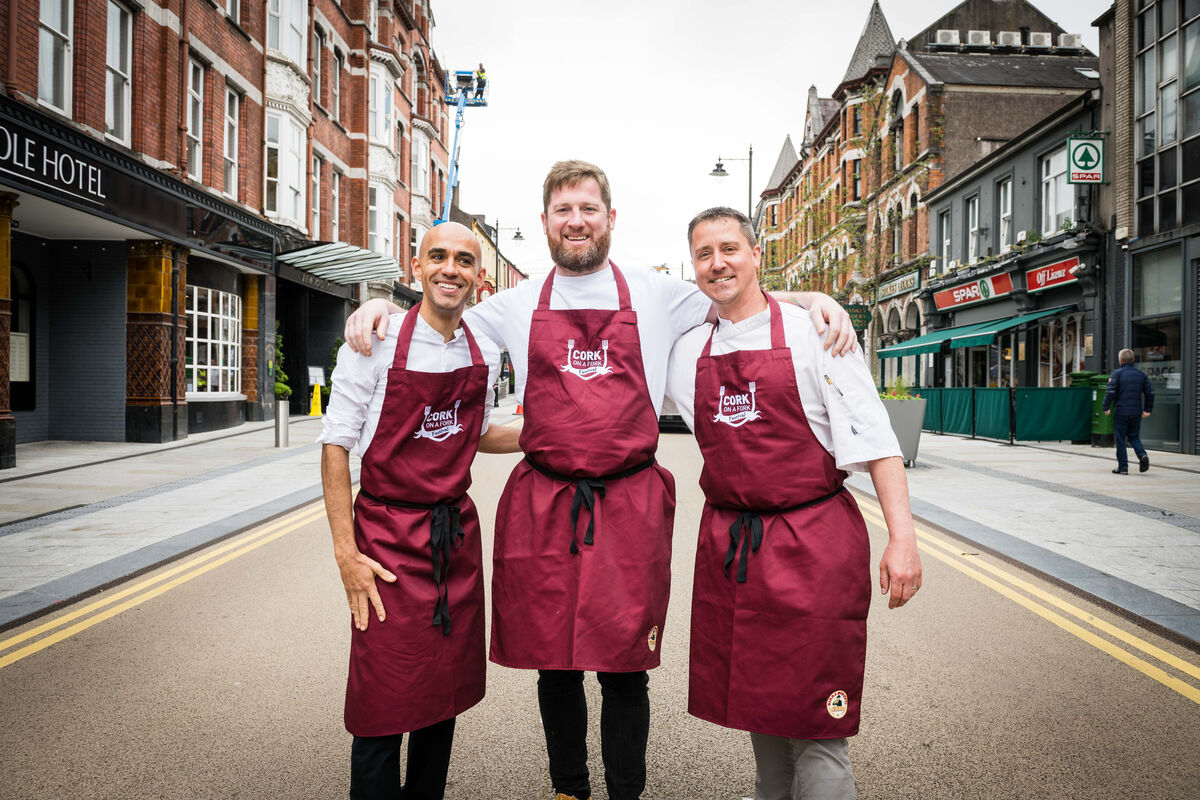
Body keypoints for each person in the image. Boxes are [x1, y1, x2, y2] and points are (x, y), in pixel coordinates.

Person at [343, 161, 858, 800]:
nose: (576, 221)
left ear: (610, 219)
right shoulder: (515, 302)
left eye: (588, 208)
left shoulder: (657, 291)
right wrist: (379, 307)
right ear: (546, 224)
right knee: (553, 664)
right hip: (546, 499)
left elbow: (743, 296)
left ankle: (624, 793)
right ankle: (569, 789)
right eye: (563, 211)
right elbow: (436, 317)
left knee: (625, 668)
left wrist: (814, 300)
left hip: (629, 502)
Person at [665, 208, 923, 800]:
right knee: (760, 710)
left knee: (817, 721)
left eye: (730, 248)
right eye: (704, 254)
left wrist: (902, 540)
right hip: (734, 551)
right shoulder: (685, 351)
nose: (717, 262)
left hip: (813, 546)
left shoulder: (816, 333)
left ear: (757, 254)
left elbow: (878, 441)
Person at [318, 222, 520, 800]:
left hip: (454, 539)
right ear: (416, 268)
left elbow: (477, 433)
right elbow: (336, 446)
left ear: (479, 278)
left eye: (462, 259)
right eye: (438, 257)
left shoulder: (482, 349)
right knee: (381, 705)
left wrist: (548, 432)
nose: (449, 268)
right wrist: (346, 554)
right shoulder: (373, 344)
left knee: (443, 696)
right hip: (384, 539)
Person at [1102, 348, 1154, 475]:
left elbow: (1111, 392)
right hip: (1136, 412)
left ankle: (1123, 468)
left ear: (1120, 360)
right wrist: (1147, 409)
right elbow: (1150, 393)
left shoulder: (1117, 374)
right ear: (1133, 360)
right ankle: (1142, 455)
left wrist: (1106, 406)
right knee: (1134, 436)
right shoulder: (1141, 375)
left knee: (1120, 439)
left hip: (1121, 412)